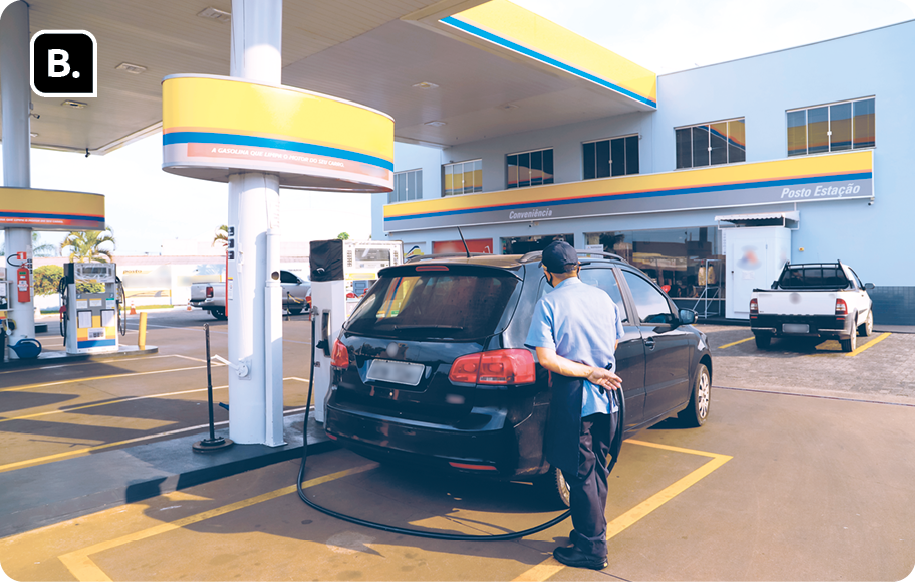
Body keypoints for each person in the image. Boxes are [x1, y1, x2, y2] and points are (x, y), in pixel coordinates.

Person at [525, 241, 624, 571]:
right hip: (607, 397)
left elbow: (546, 358)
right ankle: (588, 534)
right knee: (596, 468)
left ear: (546, 271)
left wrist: (587, 372)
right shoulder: (604, 298)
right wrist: (598, 369)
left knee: (579, 474)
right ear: (577, 268)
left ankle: (593, 549)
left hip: (575, 396)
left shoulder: (549, 303)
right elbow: (613, 342)